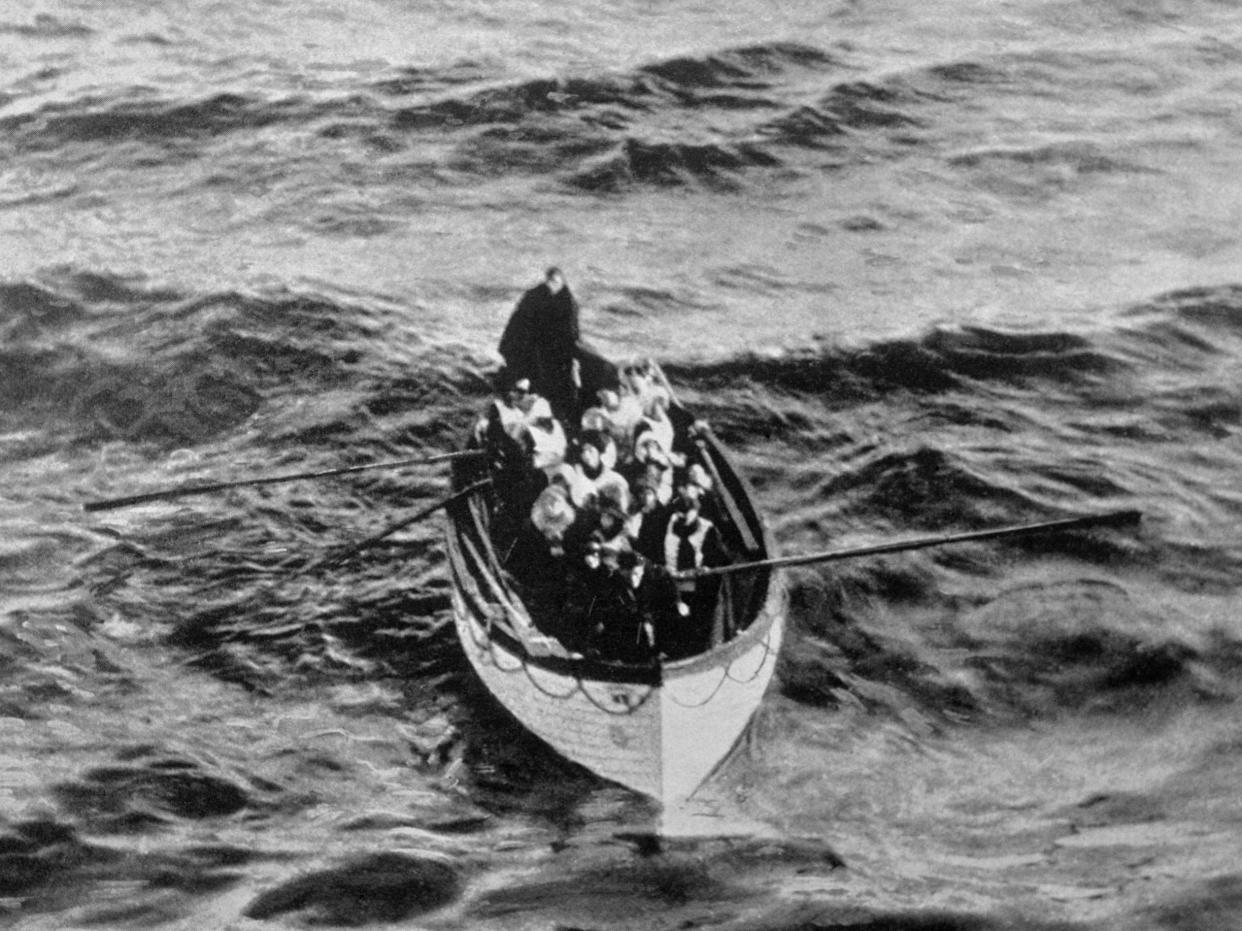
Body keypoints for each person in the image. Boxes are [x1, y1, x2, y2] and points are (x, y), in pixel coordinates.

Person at [498, 267, 583, 424]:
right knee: (531, 380)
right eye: (550, 282)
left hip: (557, 351)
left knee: (557, 387)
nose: (552, 286)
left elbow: (572, 333)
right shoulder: (534, 296)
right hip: (535, 347)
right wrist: (508, 347)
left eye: (556, 282)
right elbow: (517, 321)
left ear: (562, 282)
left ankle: (558, 418)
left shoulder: (569, 303)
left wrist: (573, 357)